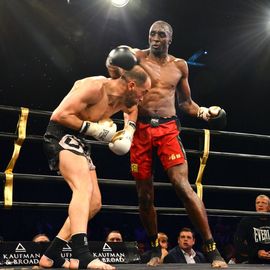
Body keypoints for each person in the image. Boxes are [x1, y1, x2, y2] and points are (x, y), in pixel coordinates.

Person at [106, 20, 227, 268]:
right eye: (152, 33)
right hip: (139, 129)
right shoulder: (136, 57)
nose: (156, 38)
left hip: (168, 129)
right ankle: (153, 249)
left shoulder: (180, 66)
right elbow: (113, 71)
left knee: (182, 185)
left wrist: (204, 112)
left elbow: (186, 103)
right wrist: (113, 62)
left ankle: (212, 248)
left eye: (161, 34)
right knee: (144, 194)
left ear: (170, 38)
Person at [38, 51, 151, 270]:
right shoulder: (94, 87)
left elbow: (132, 110)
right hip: (60, 134)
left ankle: (50, 255)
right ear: (131, 85)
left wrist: (128, 132)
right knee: (82, 188)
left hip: (79, 140)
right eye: (143, 92)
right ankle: (82, 255)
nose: (142, 98)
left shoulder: (125, 99)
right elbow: (59, 115)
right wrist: (94, 129)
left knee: (95, 203)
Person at [234, 194, 270, 264]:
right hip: (254, 261)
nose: (260, 205)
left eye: (264, 203)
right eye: (258, 202)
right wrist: (256, 252)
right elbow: (238, 242)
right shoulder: (247, 221)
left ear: (269, 207)